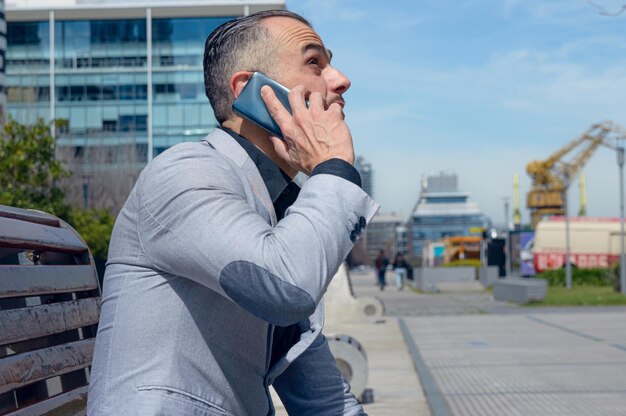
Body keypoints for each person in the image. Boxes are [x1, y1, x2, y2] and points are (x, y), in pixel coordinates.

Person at [87, 9, 379, 416]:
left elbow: (326, 401)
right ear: (252, 91)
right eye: (314, 61)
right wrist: (335, 168)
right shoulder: (186, 172)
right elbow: (286, 287)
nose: (340, 79)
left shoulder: (282, 215)